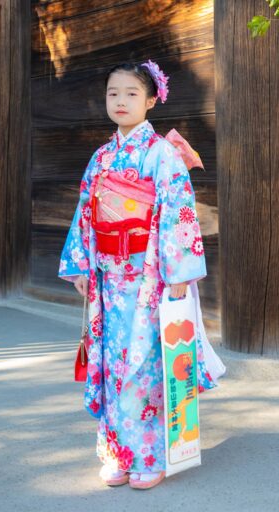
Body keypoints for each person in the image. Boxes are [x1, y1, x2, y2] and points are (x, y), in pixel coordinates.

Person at [59, 61, 221, 490]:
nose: (121, 101)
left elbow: (178, 212)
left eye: (131, 93)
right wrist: (80, 265)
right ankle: (117, 452)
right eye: (113, 93)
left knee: (145, 364)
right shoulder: (101, 156)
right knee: (113, 363)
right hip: (109, 280)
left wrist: (180, 273)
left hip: (150, 276)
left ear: (151, 100)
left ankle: (149, 455)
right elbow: (86, 213)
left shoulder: (162, 154)